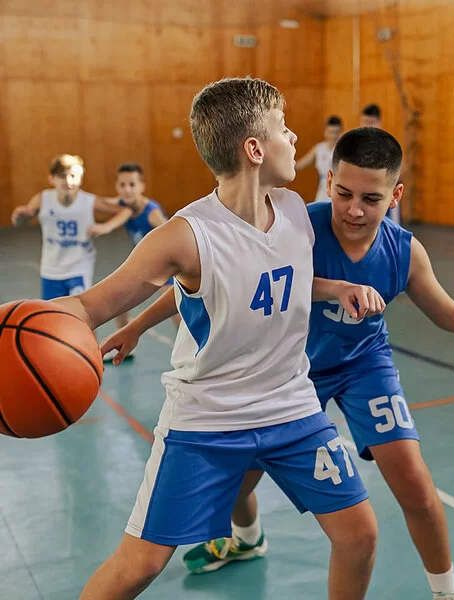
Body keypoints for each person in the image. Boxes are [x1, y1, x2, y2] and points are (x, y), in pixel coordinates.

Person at [102, 128, 454, 600]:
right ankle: (246, 538)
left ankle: (447, 592)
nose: (354, 210)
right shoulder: (293, 225)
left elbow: (449, 312)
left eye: (371, 199)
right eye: (344, 193)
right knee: (237, 480)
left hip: (363, 367)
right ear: (330, 182)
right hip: (288, 374)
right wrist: (138, 325)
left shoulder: (403, 251)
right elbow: (210, 275)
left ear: (395, 194)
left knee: (416, 486)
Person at [51, 77, 381, 600]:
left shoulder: (294, 209)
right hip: (207, 419)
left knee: (360, 534)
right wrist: (36, 321)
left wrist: (334, 287)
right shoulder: (185, 236)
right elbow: (89, 306)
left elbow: (265, 279)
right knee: (140, 565)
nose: (295, 138)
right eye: (283, 127)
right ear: (254, 149)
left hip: (291, 408)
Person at [87, 163, 181, 356]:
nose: (127, 189)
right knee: (120, 299)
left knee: (177, 308)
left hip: (165, 264)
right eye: (122, 185)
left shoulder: (151, 212)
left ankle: (191, 348)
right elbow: (100, 201)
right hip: (145, 265)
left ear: (141, 187)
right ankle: (123, 345)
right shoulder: (123, 205)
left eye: (132, 184)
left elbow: (173, 233)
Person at [11, 154, 121, 300]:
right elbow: (20, 222)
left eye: (73, 176)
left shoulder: (88, 201)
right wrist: (19, 217)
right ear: (51, 178)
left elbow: (123, 210)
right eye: (62, 176)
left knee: (78, 311)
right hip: (51, 269)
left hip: (79, 267)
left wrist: (107, 226)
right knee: (53, 314)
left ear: (80, 178)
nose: (68, 181)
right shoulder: (42, 200)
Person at [295, 116, 343, 203]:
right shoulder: (319, 148)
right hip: (323, 190)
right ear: (325, 132)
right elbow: (300, 164)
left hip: (339, 188)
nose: (333, 136)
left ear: (341, 132)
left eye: (336, 132)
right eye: (330, 132)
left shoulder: (344, 149)